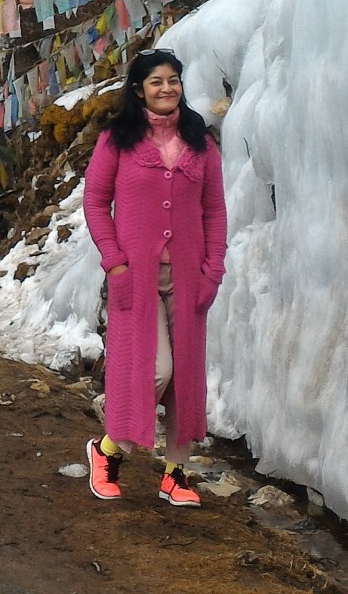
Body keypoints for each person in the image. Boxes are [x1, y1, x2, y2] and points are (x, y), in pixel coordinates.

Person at [83, 48, 227, 506]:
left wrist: (213, 271)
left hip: (190, 278)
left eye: (174, 80)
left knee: (186, 376)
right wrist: (116, 262)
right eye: (156, 82)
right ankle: (108, 451)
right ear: (138, 89)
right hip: (136, 278)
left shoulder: (200, 142)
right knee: (156, 370)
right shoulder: (117, 139)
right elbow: (95, 202)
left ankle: (175, 473)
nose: (167, 89)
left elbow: (214, 211)